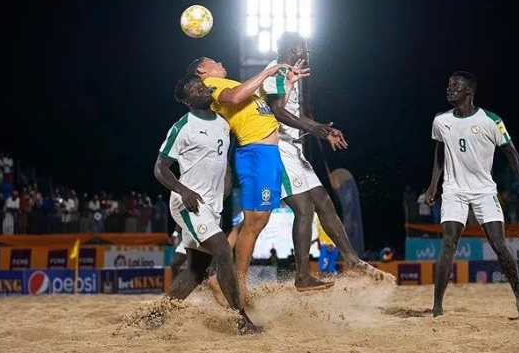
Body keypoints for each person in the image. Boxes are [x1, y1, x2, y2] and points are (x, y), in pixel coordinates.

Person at [261, 32, 393, 289]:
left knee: (323, 202)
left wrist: (323, 129)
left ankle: (353, 262)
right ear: (294, 47)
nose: (308, 52)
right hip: (277, 148)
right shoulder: (275, 72)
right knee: (304, 208)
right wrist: (313, 129)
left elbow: (302, 114)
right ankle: (302, 276)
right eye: (305, 47)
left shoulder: (294, 74)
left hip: (294, 149)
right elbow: (277, 112)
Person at [188, 56, 307, 300]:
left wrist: (290, 84)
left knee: (257, 218)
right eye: (213, 61)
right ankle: (237, 284)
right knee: (255, 222)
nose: (220, 62)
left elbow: (270, 110)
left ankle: (217, 279)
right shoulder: (213, 84)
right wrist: (267, 73)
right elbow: (233, 98)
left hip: (267, 154)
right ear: (202, 70)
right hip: (255, 153)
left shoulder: (231, 83)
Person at [153, 75, 260, 334]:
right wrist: (183, 189)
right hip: (188, 202)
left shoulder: (223, 124)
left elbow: (221, 164)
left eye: (201, 85)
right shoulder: (183, 126)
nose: (201, 88)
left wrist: (227, 182)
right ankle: (241, 319)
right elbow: (160, 167)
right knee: (223, 250)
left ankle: (154, 317)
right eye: (193, 89)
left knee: (195, 271)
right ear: (186, 100)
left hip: (212, 207)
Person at [425, 71, 519, 319]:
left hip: (484, 191)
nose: (449, 88)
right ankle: (437, 307)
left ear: (469, 92)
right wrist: (433, 184)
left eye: (455, 85)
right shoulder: (441, 121)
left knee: (499, 244)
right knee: (448, 243)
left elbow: (512, 154)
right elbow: (440, 151)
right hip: (454, 190)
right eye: (448, 84)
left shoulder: (490, 121)